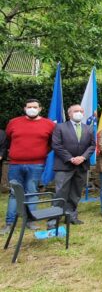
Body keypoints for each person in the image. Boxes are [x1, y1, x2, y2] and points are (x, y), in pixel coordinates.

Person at [1, 99, 55, 235]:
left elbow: (51, 143)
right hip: (15, 164)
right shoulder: (13, 122)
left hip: (36, 165)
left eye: (35, 107)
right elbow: (8, 140)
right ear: (25, 108)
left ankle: (30, 221)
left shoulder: (49, 124)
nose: (32, 109)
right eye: (29, 107)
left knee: (32, 192)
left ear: (40, 109)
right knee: (14, 194)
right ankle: (9, 223)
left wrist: (40, 153)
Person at [51, 104, 96, 225]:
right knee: (60, 192)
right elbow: (56, 145)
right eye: (76, 111)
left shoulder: (88, 128)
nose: (79, 113)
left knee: (75, 193)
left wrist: (83, 157)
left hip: (81, 165)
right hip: (64, 165)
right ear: (69, 113)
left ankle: (71, 216)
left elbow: (92, 145)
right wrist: (71, 158)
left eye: (81, 111)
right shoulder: (59, 127)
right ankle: (54, 219)